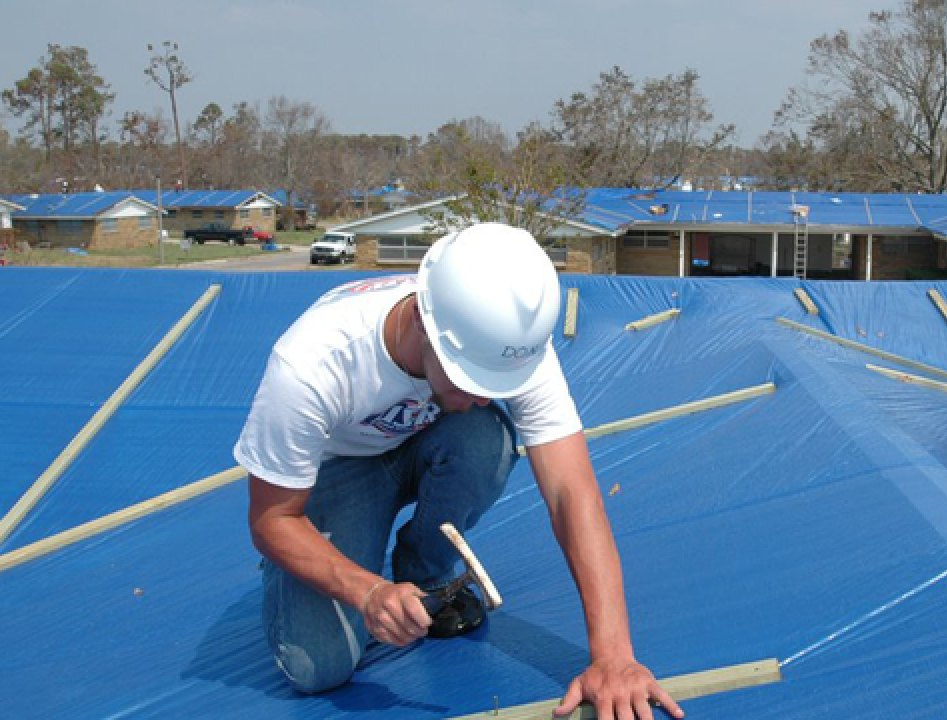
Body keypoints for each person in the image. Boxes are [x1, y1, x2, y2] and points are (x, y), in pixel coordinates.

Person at [235, 222, 684, 720]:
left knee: (484, 439)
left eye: (496, 382)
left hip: (426, 441)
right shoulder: (311, 365)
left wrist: (614, 656)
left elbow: (570, 492)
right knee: (319, 666)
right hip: (340, 469)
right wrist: (368, 591)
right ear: (422, 324)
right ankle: (309, 570)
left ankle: (425, 578)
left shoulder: (502, 339)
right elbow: (272, 519)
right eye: (469, 379)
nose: (486, 396)